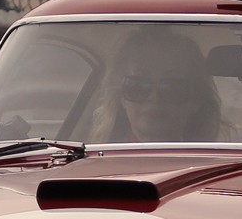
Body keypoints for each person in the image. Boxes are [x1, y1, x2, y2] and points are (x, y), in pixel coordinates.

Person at [85, 26, 231, 143]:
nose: (153, 98)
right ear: (122, 97)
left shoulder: (218, 168)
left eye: (171, 88)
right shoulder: (92, 165)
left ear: (195, 100)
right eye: (138, 86)